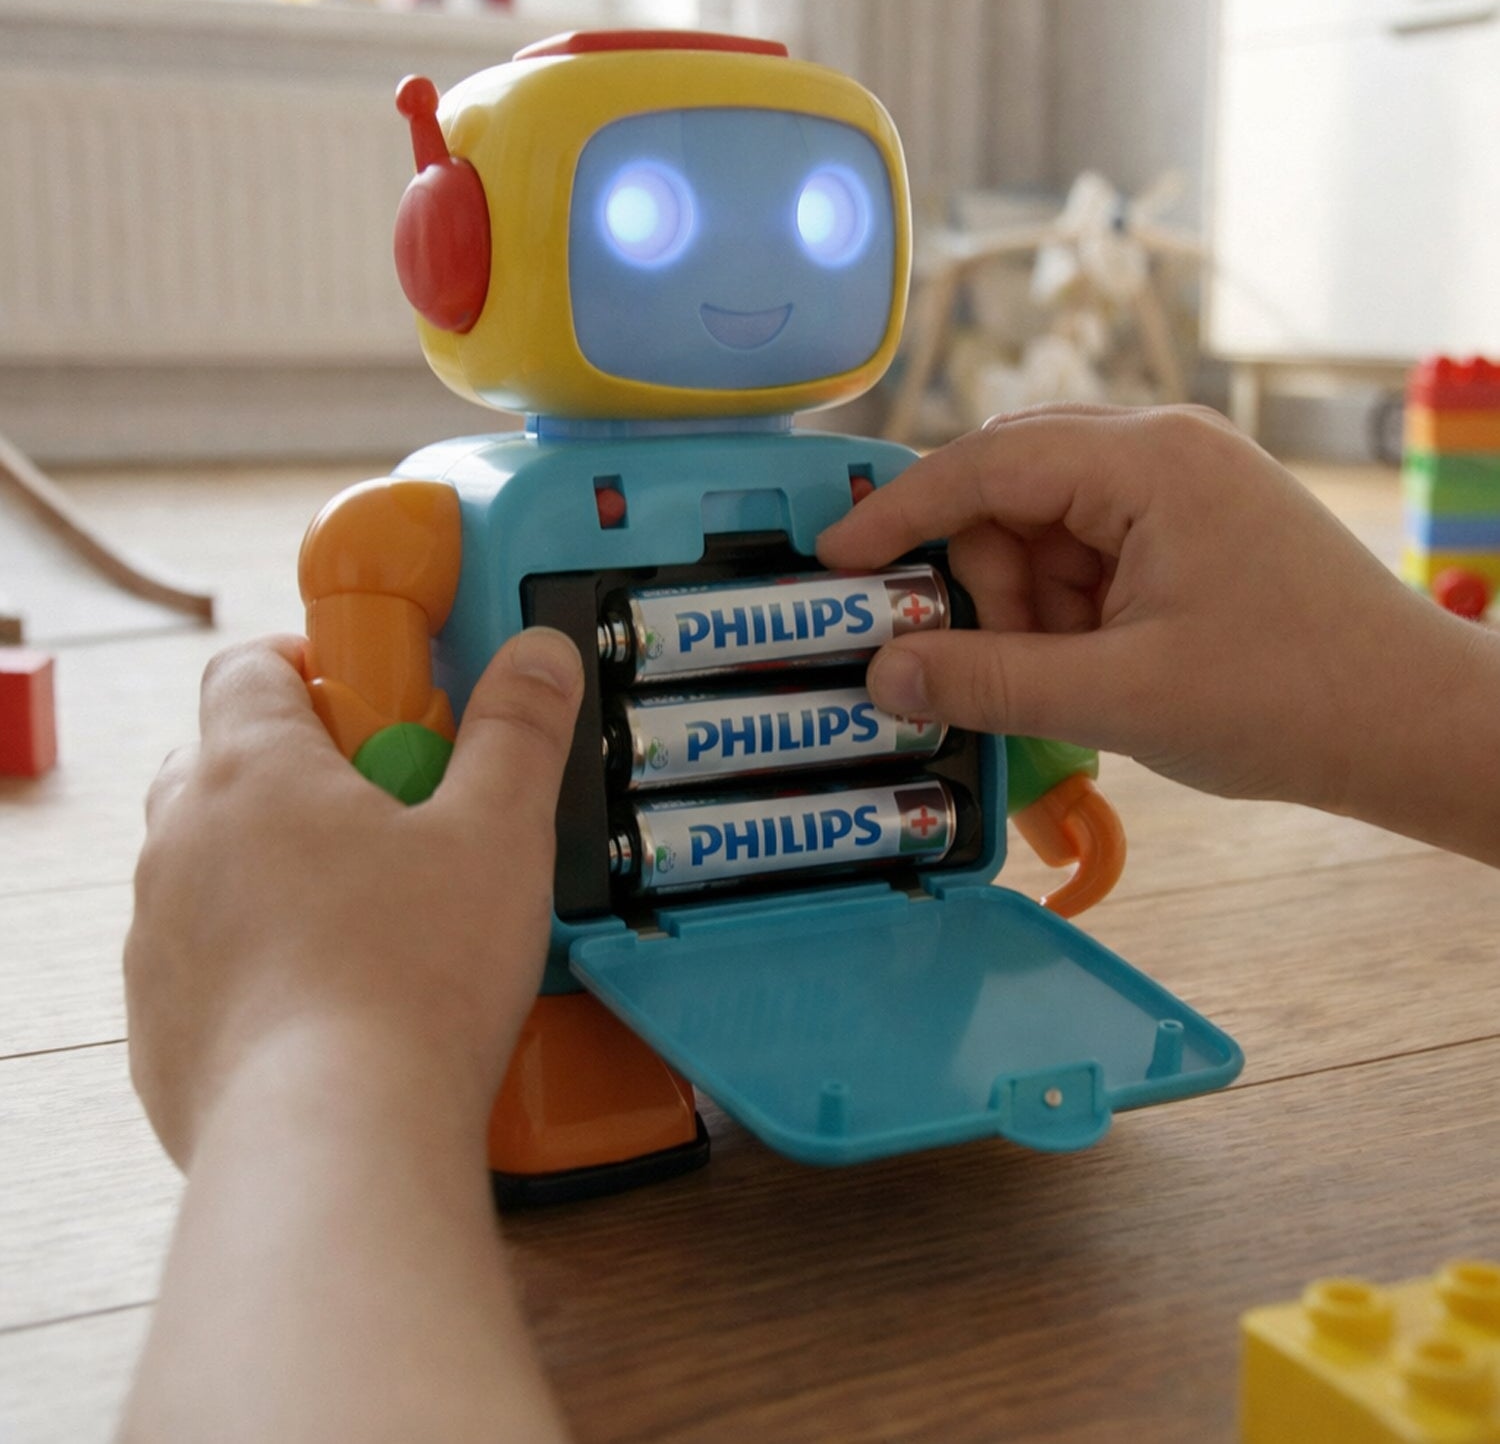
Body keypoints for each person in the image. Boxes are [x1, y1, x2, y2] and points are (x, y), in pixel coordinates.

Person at [118, 404, 1500, 1441]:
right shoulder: (438, 511)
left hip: (888, 883)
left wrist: (316, 1042)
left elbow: (1009, 659)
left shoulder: (885, 501)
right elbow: (365, 602)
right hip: (586, 912)